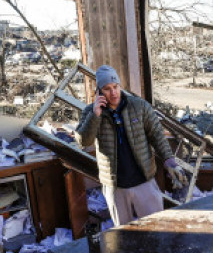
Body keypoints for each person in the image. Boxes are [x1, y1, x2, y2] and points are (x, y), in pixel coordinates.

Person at [76, 65, 186, 225]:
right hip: (115, 187)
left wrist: (169, 160)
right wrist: (95, 115)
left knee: (156, 227)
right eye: (107, 89)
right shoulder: (91, 112)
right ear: (98, 92)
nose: (113, 92)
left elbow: (157, 135)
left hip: (144, 181)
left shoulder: (139, 106)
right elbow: (83, 141)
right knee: (124, 235)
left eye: (115, 87)